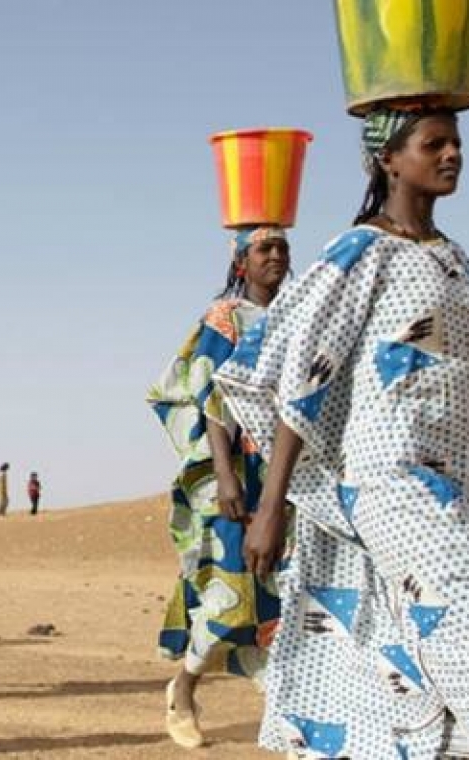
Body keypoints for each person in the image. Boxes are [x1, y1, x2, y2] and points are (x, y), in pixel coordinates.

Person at [216, 109, 469, 758]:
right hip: (388, 479)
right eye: (432, 143)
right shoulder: (360, 251)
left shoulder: (453, 259)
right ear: (389, 159)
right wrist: (270, 505)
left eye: (456, 142)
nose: (452, 154)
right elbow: (299, 376)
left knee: (411, 655)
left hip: (452, 482)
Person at [147, 223, 291, 749]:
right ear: (241, 262)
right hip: (235, 471)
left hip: (289, 476)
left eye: (282, 247)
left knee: (282, 594)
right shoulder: (224, 319)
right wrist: (226, 475)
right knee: (229, 590)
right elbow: (211, 397)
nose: (275, 255)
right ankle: (183, 688)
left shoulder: (297, 317)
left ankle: (284, 706)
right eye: (264, 248)